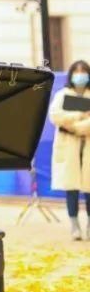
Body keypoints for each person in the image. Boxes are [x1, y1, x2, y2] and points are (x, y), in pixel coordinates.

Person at [48, 59, 90, 241]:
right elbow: (56, 116)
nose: (80, 75)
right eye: (77, 71)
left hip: (86, 144)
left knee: (89, 188)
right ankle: (74, 225)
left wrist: (76, 126)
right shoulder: (62, 95)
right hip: (69, 146)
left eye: (84, 71)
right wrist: (80, 115)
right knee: (71, 188)